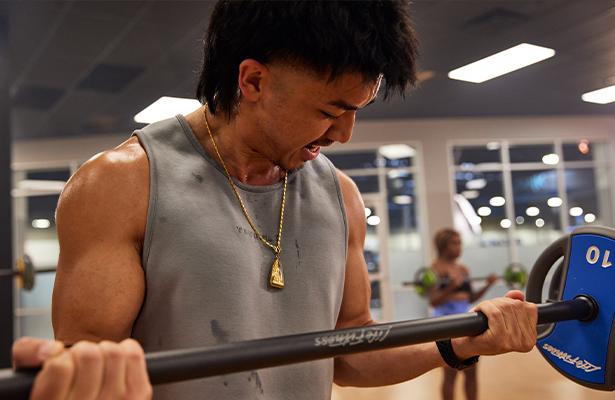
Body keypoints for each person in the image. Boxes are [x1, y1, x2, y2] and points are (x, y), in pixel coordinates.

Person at [10, 1, 538, 399]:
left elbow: (349, 350)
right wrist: (73, 374)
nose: (345, 135)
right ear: (254, 80)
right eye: (330, 111)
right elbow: (90, 366)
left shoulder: (340, 196)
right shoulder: (121, 185)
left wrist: (461, 338)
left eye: (358, 110)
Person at [428, 228, 498, 400]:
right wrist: (450, 288)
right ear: (443, 246)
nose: (459, 247)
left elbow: (471, 297)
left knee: (471, 371)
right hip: (446, 324)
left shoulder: (463, 269)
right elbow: (433, 301)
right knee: (450, 373)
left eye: (460, 243)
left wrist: (488, 285)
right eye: (455, 243)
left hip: (466, 323)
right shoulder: (434, 269)